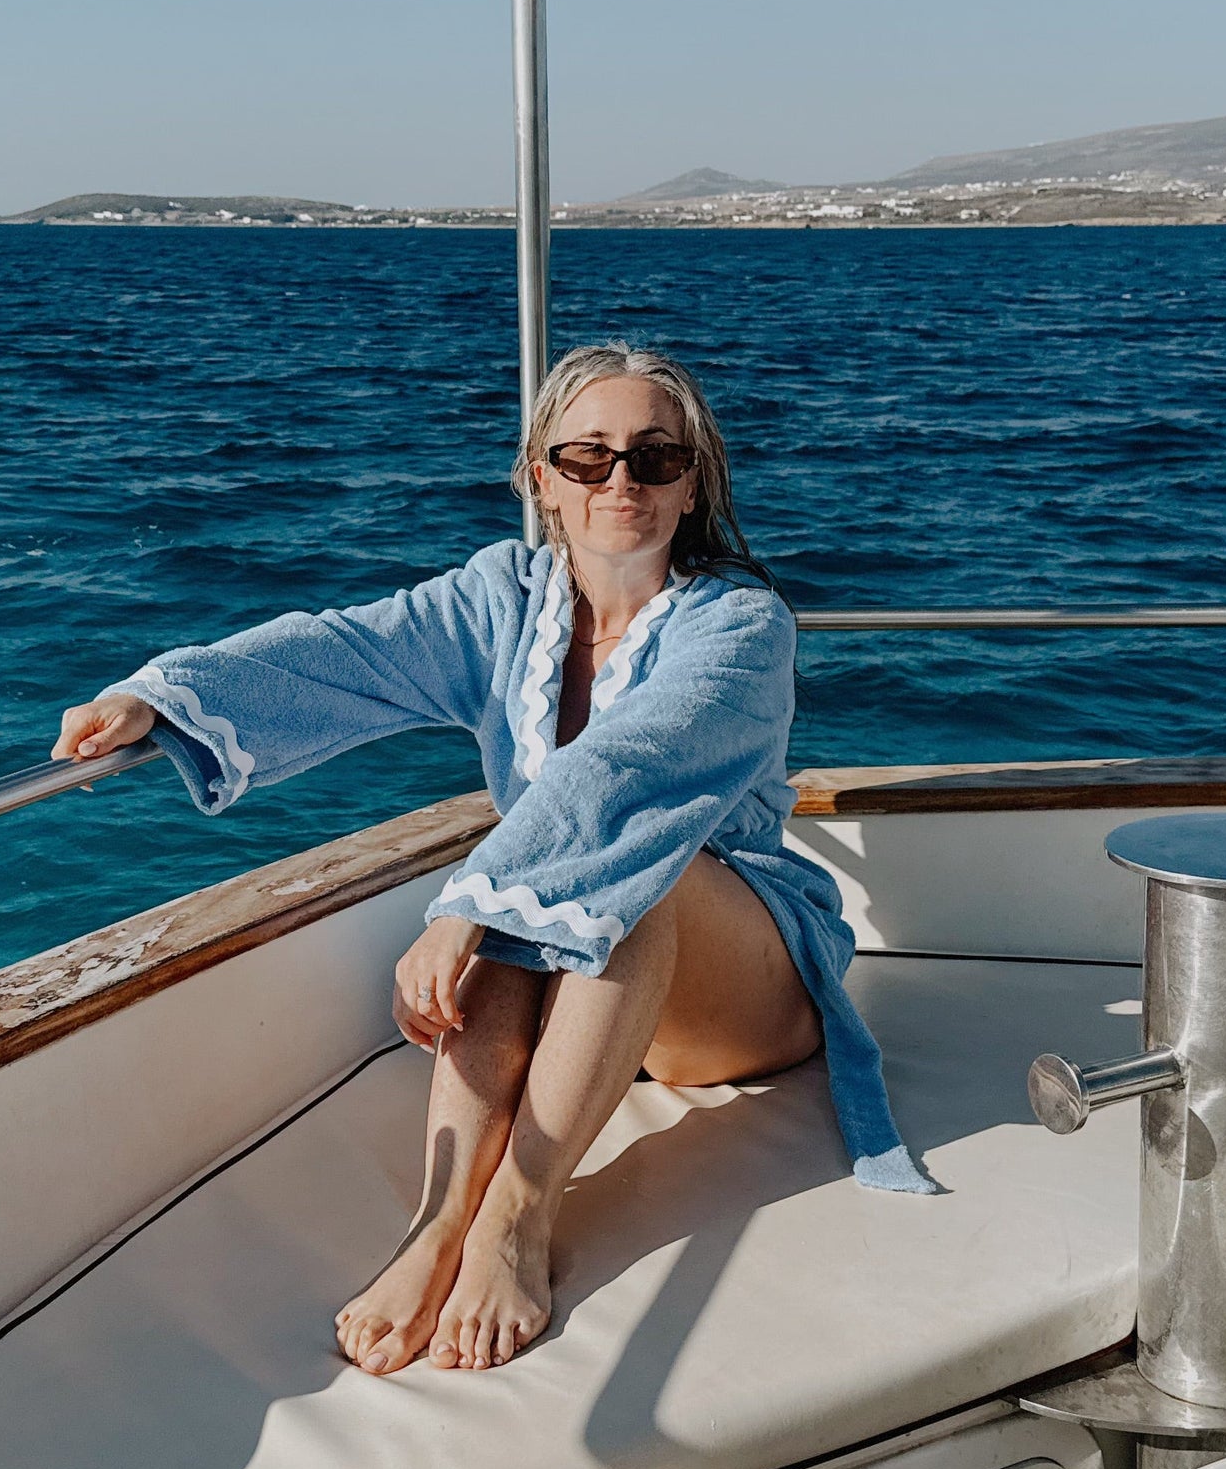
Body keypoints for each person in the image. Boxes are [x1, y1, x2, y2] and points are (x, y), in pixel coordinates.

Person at [52, 344, 928, 1381]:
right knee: (535, 894)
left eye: (654, 458)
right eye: (587, 458)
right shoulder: (497, 601)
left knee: (617, 881)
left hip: (741, 984)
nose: (620, 483)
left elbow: (623, 772)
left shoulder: (739, 627)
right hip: (572, 977)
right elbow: (342, 651)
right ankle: (438, 1225)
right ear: (537, 477)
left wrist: (461, 907)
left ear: (694, 481)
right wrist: (163, 695)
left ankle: (516, 1217)